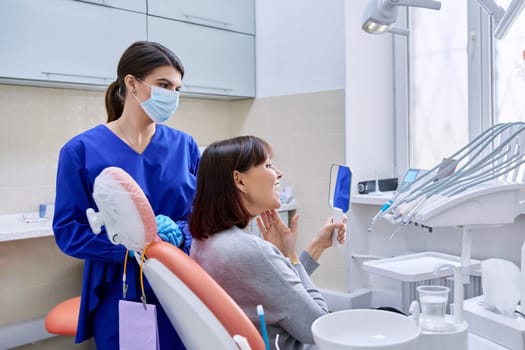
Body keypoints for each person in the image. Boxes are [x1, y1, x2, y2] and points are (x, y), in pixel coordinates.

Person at [52, 41, 200, 349]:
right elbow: (69, 231)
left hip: (179, 279)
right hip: (120, 285)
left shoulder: (185, 146)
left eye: (177, 88)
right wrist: (132, 244)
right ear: (131, 83)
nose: (172, 96)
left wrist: (177, 236)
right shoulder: (80, 151)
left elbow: (202, 217)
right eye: (163, 85)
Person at [189, 135, 347, 350]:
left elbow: (275, 290)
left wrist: (314, 247)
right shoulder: (250, 252)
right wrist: (289, 256)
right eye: (269, 165)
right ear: (240, 180)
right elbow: (317, 326)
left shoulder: (205, 241)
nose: (279, 173)